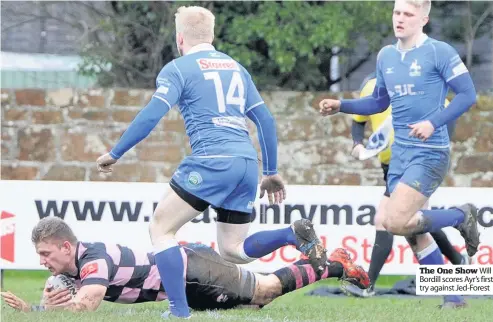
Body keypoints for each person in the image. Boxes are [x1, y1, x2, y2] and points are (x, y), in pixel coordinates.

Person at [95, 6, 327, 319]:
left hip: (211, 161)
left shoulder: (178, 69)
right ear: (212, 35)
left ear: (180, 38)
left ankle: (178, 310)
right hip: (246, 163)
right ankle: (291, 234)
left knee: (161, 229)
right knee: (233, 250)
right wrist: (270, 171)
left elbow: (152, 114)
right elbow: (266, 120)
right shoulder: (236, 68)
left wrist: (115, 152)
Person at [319, 0, 480, 308]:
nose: (401, 18)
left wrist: (434, 123)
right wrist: (342, 105)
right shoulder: (386, 56)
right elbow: (378, 102)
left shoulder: (439, 52)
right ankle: (454, 297)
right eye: (397, 12)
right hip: (400, 156)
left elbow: (468, 94)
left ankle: (461, 215)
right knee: (410, 231)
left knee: (394, 221)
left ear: (424, 18)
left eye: (408, 13)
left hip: (430, 152)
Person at [0, 217, 369, 315]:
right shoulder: (69, 269)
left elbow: (86, 305)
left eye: (47, 254)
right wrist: (37, 306)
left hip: (193, 269)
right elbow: (60, 299)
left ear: (67, 246)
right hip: (186, 284)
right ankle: (333, 265)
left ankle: (330, 261)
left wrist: (39, 311)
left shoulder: (93, 260)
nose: (42, 262)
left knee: (266, 290)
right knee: (257, 299)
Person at [345, 73, 470, 297]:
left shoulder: (424, 88)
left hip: (416, 164)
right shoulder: (370, 88)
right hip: (390, 167)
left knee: (388, 221)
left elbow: (448, 119)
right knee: (415, 225)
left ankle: (368, 285)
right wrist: (357, 144)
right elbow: (358, 122)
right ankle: (458, 267)